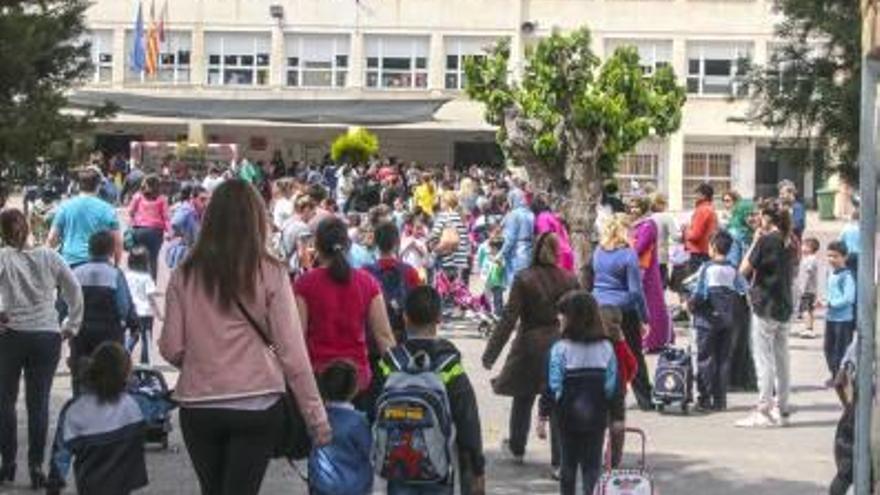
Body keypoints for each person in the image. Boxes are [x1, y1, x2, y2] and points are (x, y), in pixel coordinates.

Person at [159, 179, 332, 495]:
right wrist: (316, 417)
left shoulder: (184, 272)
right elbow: (292, 353)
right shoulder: (270, 270)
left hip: (199, 405)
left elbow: (171, 347)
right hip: (257, 402)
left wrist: (202, 358)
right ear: (256, 218)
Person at [0, 209, 83, 489]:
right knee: (39, 404)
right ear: (28, 226)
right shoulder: (50, 256)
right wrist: (72, 324)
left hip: (11, 335)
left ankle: (7, 461)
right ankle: (36, 465)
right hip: (47, 334)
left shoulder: (2, 258)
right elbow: (74, 289)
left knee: (5, 401)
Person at [482, 233, 578, 468]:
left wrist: (491, 354)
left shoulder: (524, 278)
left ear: (534, 250)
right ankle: (559, 459)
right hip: (559, 343)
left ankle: (517, 447)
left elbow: (508, 318)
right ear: (557, 252)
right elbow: (580, 315)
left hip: (528, 344)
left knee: (522, 398)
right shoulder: (569, 279)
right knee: (556, 400)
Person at [377, 286, 486, 495]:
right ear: (438, 319)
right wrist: (477, 467)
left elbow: (374, 412)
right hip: (437, 469)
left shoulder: (389, 363)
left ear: (405, 317)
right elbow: (468, 421)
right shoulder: (448, 365)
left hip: (396, 467)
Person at [294, 217, 397, 410]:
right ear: (349, 245)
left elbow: (297, 337)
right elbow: (383, 336)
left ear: (317, 246)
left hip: (318, 380)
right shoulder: (368, 283)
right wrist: (398, 375)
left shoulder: (304, 284)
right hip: (358, 380)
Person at [538, 290, 618, 495]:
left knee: (568, 466)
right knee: (592, 467)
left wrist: (542, 416)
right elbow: (612, 386)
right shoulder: (607, 348)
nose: (559, 318)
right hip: (597, 417)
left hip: (566, 418)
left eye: (562, 314)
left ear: (573, 318)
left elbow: (552, 386)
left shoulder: (559, 349)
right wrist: (617, 416)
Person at [45, 343, 149, 495]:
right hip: (123, 483)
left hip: (89, 485)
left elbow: (61, 453)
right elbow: (165, 402)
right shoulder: (134, 404)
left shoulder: (74, 409)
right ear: (125, 373)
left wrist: (54, 485)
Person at [736, 202, 795, 428]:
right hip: (784, 304)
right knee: (782, 358)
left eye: (760, 215)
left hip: (765, 304)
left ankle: (764, 409)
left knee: (764, 359)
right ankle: (783, 408)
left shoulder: (766, 240)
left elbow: (743, 270)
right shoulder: (789, 240)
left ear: (768, 218)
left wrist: (754, 241)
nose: (757, 219)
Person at [591, 215, 653, 410]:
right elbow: (636, 291)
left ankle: (602, 396)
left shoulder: (598, 252)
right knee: (633, 354)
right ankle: (645, 399)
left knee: (603, 354)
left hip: (599, 307)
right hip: (623, 309)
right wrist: (645, 317)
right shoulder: (628, 255)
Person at [688, 231, 749, 411]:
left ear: (713, 247)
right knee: (723, 359)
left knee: (706, 358)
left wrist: (689, 304)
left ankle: (705, 398)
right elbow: (744, 288)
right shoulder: (732, 269)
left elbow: (699, 292)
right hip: (727, 320)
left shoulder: (706, 268)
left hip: (706, 321)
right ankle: (720, 400)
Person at [71, 231, 137, 395]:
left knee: (81, 373)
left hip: (82, 332)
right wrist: (132, 323)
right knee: (111, 372)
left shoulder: (76, 272)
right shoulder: (115, 274)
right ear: (111, 251)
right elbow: (124, 306)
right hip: (110, 332)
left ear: (90, 250)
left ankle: (81, 404)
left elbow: (67, 304)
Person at [308, 360, 373, 495]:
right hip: (354, 487)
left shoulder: (316, 418)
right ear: (354, 389)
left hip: (321, 484)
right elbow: (369, 451)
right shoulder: (358, 421)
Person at [47, 167, 122, 267]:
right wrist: (116, 266)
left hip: (70, 263)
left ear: (78, 186)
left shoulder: (65, 207)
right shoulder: (108, 209)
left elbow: (51, 239)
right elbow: (117, 242)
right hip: (99, 265)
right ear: (98, 186)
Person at [366, 222, 422, 344]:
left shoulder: (364, 273)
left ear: (375, 243)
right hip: (402, 336)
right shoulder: (409, 271)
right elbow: (418, 306)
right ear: (397, 243)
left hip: (372, 338)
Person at [629, 196, 671, 352]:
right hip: (638, 269)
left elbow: (638, 248)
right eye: (631, 206)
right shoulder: (636, 225)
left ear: (644, 207)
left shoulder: (648, 225)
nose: (633, 210)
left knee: (650, 305)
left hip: (646, 271)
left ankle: (653, 340)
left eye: (637, 207)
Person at [597, 306, 637, 468]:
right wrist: (626, 380)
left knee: (598, 424)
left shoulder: (596, 344)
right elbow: (632, 365)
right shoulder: (620, 344)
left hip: (598, 388)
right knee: (618, 422)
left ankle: (595, 454)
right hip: (618, 389)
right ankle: (615, 459)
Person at [823, 241, 856, 388]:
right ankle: (835, 374)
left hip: (843, 320)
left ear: (844, 257)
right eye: (829, 256)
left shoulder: (846, 276)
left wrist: (832, 303)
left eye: (835, 256)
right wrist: (824, 301)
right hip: (831, 318)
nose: (831, 259)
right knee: (828, 348)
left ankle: (841, 377)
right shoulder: (832, 274)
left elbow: (849, 298)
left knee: (841, 350)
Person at [123, 246, 161, 365]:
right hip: (145, 312)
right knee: (146, 339)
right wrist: (158, 313)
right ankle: (145, 364)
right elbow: (151, 298)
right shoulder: (146, 278)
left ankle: (125, 352)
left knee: (134, 335)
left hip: (131, 311)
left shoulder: (126, 276)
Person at [127, 174, 169, 280]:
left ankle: (135, 282)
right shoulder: (162, 199)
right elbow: (166, 217)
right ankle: (151, 285)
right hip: (155, 232)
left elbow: (130, 211)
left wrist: (133, 222)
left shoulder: (138, 196)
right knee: (153, 259)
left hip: (139, 230)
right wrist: (169, 232)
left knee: (136, 257)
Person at [429, 192, 471, 282]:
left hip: (446, 260)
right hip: (461, 261)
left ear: (445, 203)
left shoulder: (443, 216)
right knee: (457, 291)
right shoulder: (461, 217)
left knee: (444, 290)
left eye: (441, 202)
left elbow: (433, 236)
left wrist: (433, 248)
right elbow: (465, 239)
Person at [500, 188, 535, 286]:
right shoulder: (530, 213)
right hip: (529, 251)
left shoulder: (513, 215)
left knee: (516, 286)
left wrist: (501, 254)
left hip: (516, 253)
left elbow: (510, 239)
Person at [532, 195, 574, 273]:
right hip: (566, 251)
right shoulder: (553, 216)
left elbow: (545, 237)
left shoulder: (542, 217)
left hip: (558, 254)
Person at [685, 183, 718, 276]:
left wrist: (686, 230)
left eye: (697, 193)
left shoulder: (702, 210)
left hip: (699, 252)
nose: (694, 196)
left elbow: (695, 235)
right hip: (707, 250)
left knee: (695, 284)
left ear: (703, 195)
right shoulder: (710, 208)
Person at [649, 193, 676, 288]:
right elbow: (675, 237)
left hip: (649, 257)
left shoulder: (648, 217)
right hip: (661, 257)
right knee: (661, 286)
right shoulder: (666, 217)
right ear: (661, 204)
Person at [796, 238, 820, 338]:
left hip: (807, 289)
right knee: (810, 310)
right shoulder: (811, 258)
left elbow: (808, 273)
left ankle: (808, 329)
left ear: (809, 248)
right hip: (811, 290)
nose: (802, 247)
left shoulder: (810, 259)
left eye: (804, 246)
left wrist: (802, 288)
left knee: (805, 309)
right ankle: (810, 327)